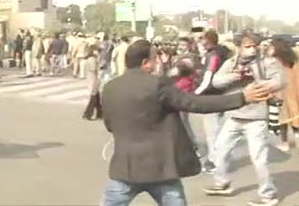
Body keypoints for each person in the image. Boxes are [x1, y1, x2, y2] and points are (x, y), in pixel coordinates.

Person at [101, 39, 272, 206]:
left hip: (126, 168)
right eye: (156, 57)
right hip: (161, 169)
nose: (160, 61)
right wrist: (242, 97)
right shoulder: (157, 84)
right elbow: (195, 103)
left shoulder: (110, 87)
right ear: (146, 63)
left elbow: (109, 125)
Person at [204, 31, 285, 206]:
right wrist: (236, 76)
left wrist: (259, 81)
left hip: (256, 118)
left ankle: (268, 195)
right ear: (239, 47)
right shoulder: (231, 63)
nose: (252, 50)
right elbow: (217, 82)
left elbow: (279, 81)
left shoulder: (267, 63)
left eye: (254, 46)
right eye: (248, 47)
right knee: (219, 151)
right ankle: (222, 183)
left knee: (259, 159)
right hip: (233, 115)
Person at [194, 29, 229, 173]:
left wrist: (196, 93)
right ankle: (218, 159)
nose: (201, 42)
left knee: (212, 132)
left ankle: (215, 162)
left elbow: (208, 76)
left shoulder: (213, 55)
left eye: (202, 39)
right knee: (218, 131)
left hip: (211, 96)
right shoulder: (221, 53)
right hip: (221, 95)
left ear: (208, 40)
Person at [268, 39, 299, 152]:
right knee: (295, 116)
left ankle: (284, 143)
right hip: (293, 91)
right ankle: (295, 138)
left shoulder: (275, 61)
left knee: (283, 120)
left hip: (280, 92)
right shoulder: (293, 60)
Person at [82, 35, 102, 120]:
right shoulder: (92, 59)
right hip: (93, 80)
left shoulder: (88, 59)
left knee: (97, 98)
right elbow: (93, 69)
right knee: (93, 99)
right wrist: (99, 63)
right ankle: (88, 113)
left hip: (91, 79)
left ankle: (100, 113)